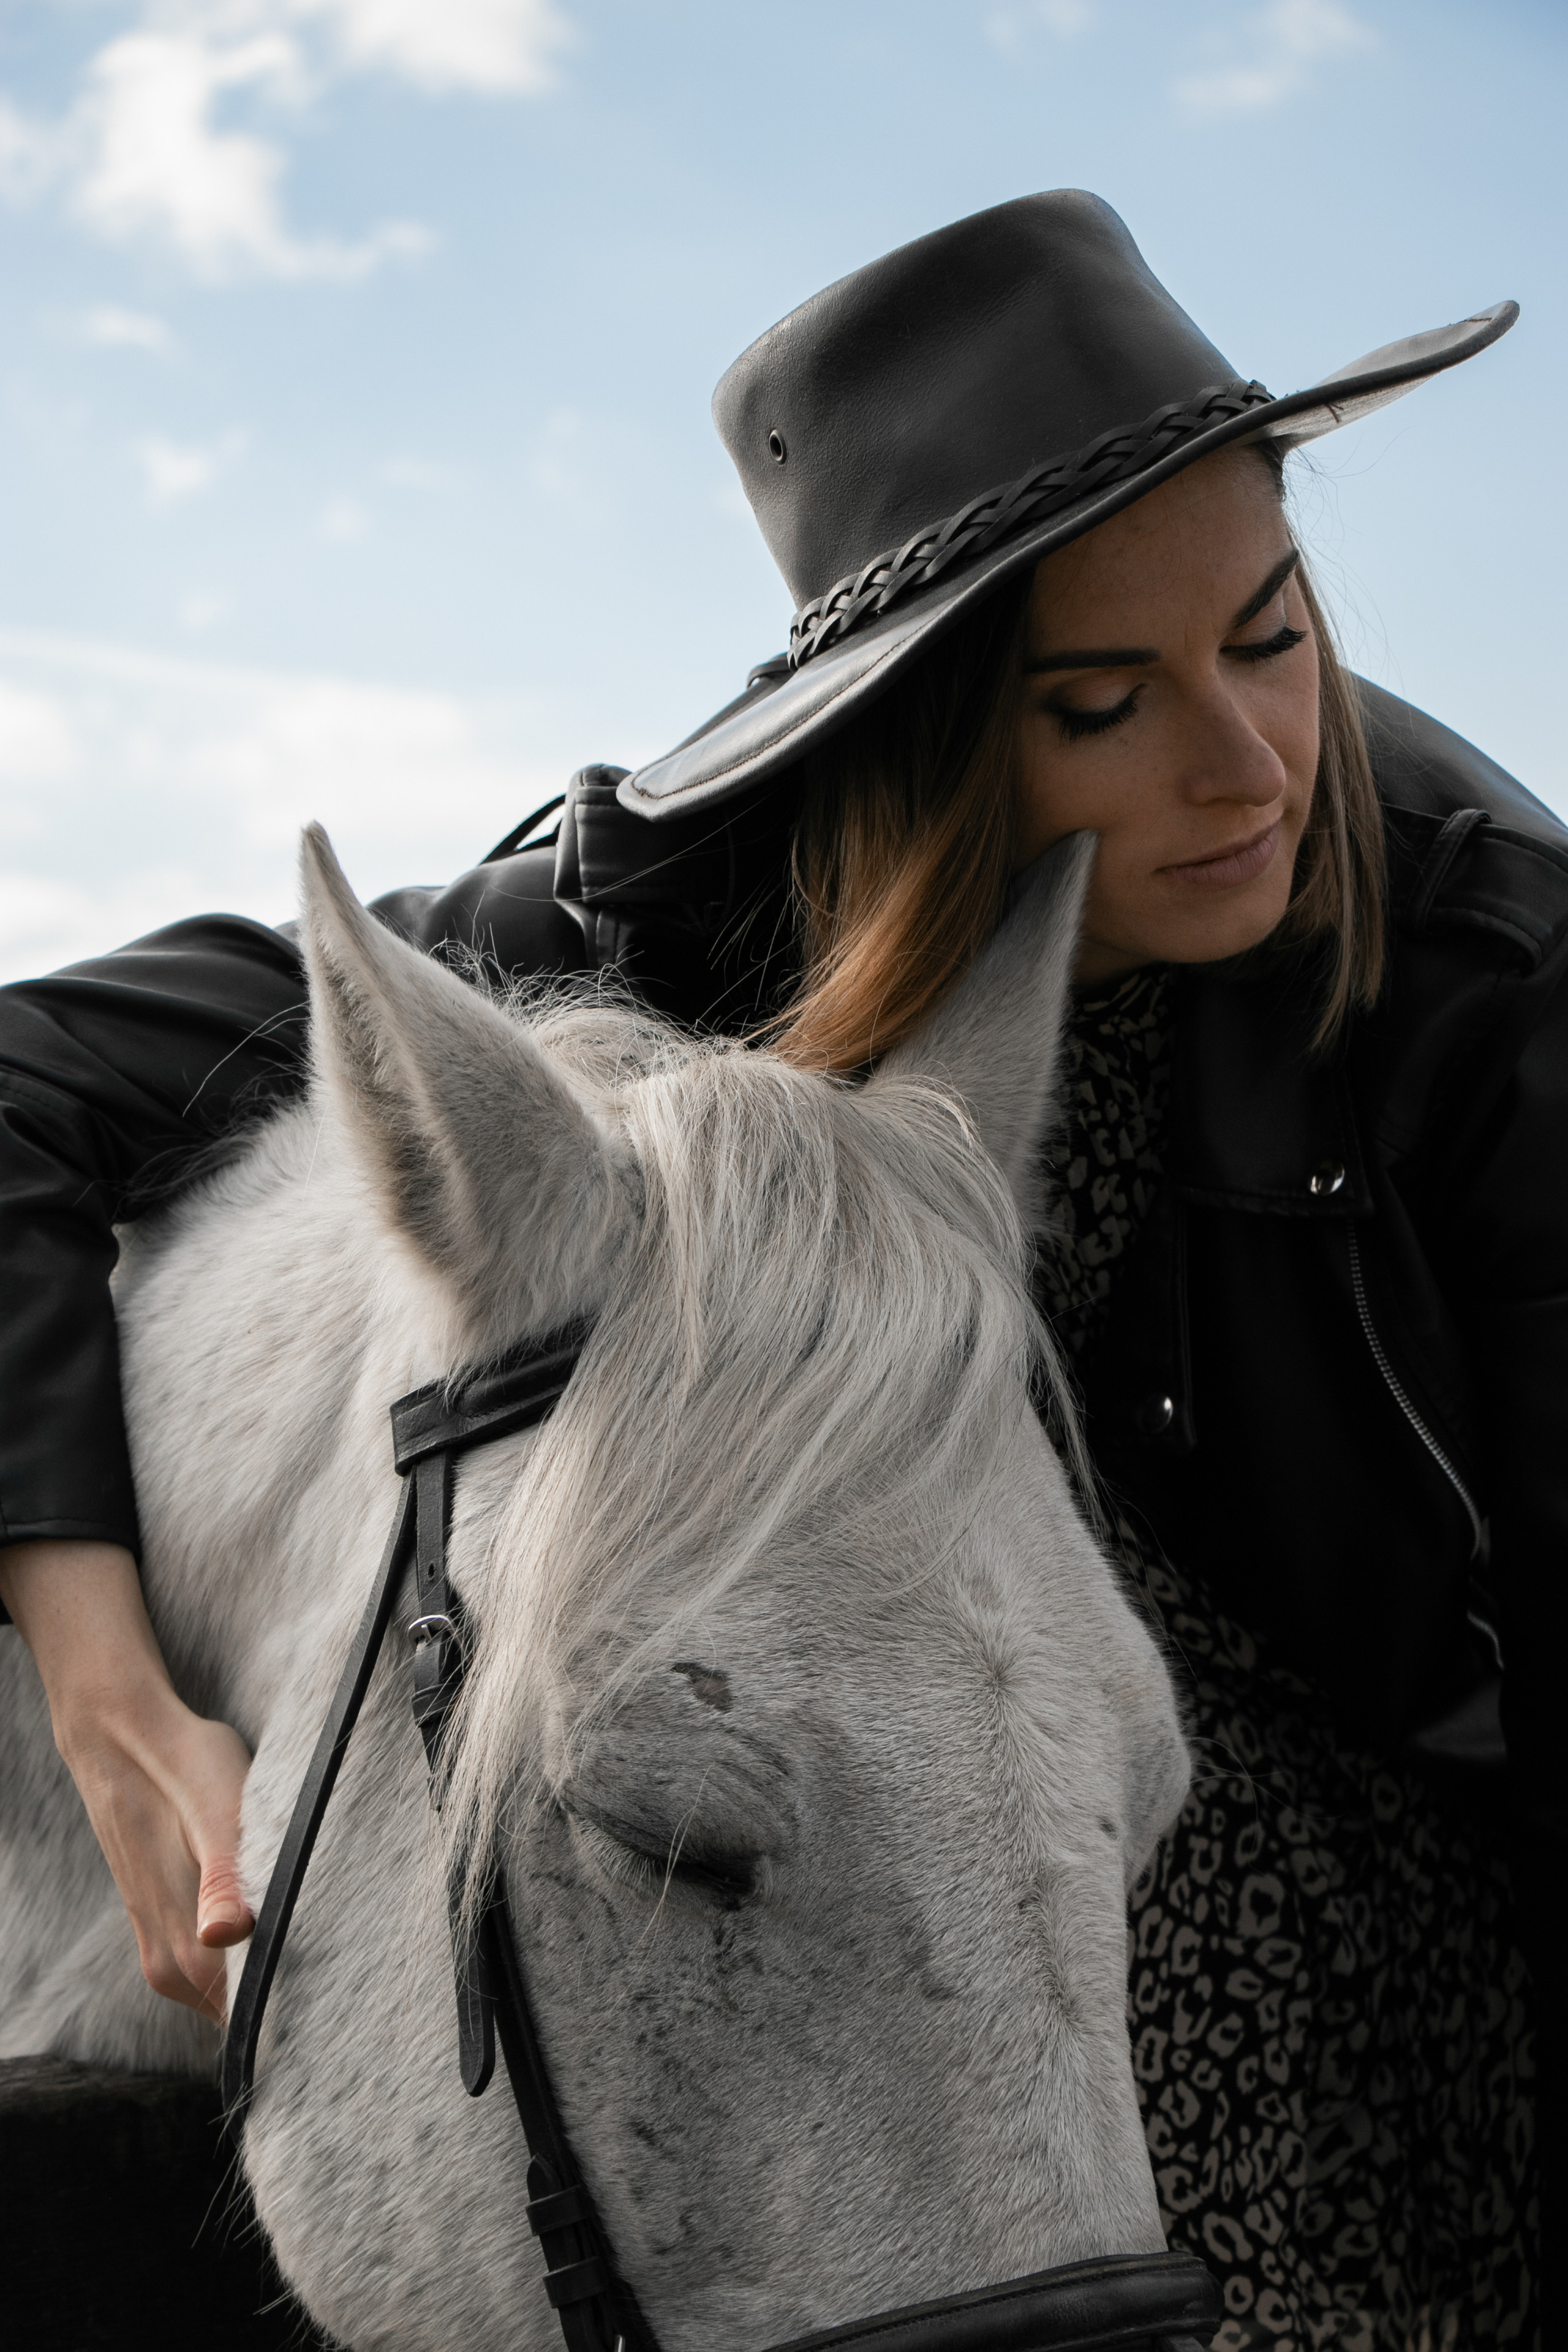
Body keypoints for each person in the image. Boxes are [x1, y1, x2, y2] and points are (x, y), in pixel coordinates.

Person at [0, 192, 1558, 2346]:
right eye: (1109, 701)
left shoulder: (1494, 981)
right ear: (923, 742)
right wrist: (105, 1690)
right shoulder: (667, 923)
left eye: (1277, 634)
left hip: (1351, 1871)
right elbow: (22, 1088)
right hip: (895, 1861)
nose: (1255, 761)